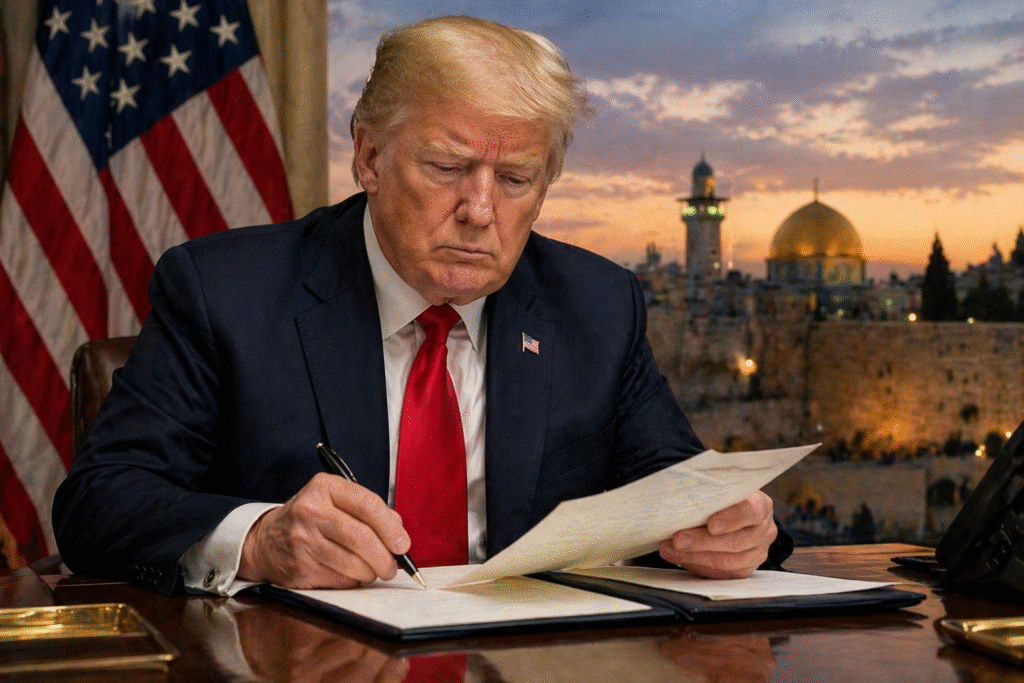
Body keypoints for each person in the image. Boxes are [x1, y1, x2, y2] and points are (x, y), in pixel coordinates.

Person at [53, 15, 789, 596]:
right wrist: (260, 538)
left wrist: (732, 526)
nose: (479, 210)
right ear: (369, 156)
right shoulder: (223, 292)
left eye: (516, 178)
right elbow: (98, 502)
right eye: (447, 167)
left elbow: (683, 490)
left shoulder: (596, 304)